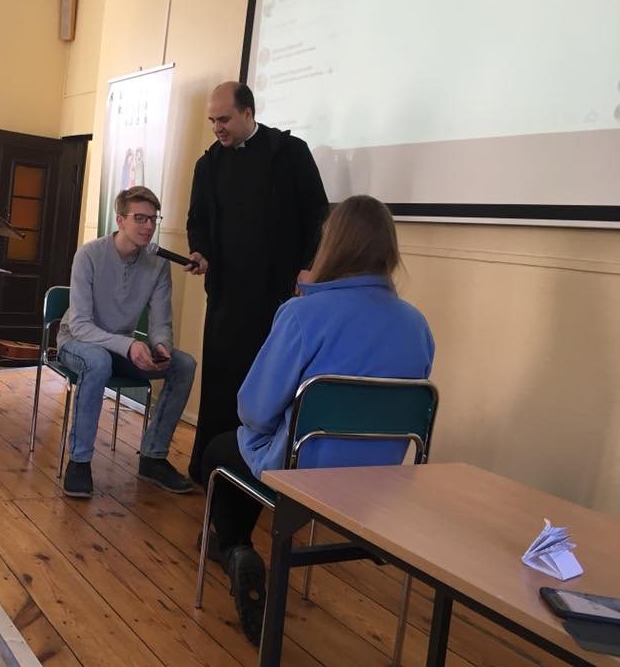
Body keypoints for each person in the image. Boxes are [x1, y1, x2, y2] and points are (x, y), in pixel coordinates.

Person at [200, 195, 435, 644]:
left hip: (304, 476)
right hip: (380, 481)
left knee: (221, 449)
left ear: (332, 244)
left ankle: (236, 548)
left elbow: (253, 409)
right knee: (256, 448)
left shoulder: (302, 314)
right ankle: (234, 547)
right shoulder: (417, 325)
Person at [185, 81, 329, 484]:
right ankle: (211, 469)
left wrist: (308, 267)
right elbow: (198, 220)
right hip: (227, 296)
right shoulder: (208, 165)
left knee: (269, 384)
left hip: (278, 295)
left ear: (248, 113)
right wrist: (200, 251)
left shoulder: (289, 152)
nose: (217, 128)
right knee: (222, 382)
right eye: (212, 120)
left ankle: (264, 475)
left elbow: (318, 214)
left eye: (224, 119)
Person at [57, 186, 197, 498]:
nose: (148, 226)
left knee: (184, 364)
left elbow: (161, 322)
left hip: (120, 345)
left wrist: (161, 346)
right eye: (140, 218)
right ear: (120, 220)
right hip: (76, 341)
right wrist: (128, 346)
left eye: (153, 219)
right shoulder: (89, 255)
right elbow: (80, 325)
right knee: (98, 361)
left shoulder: (158, 263)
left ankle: (153, 458)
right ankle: (79, 462)